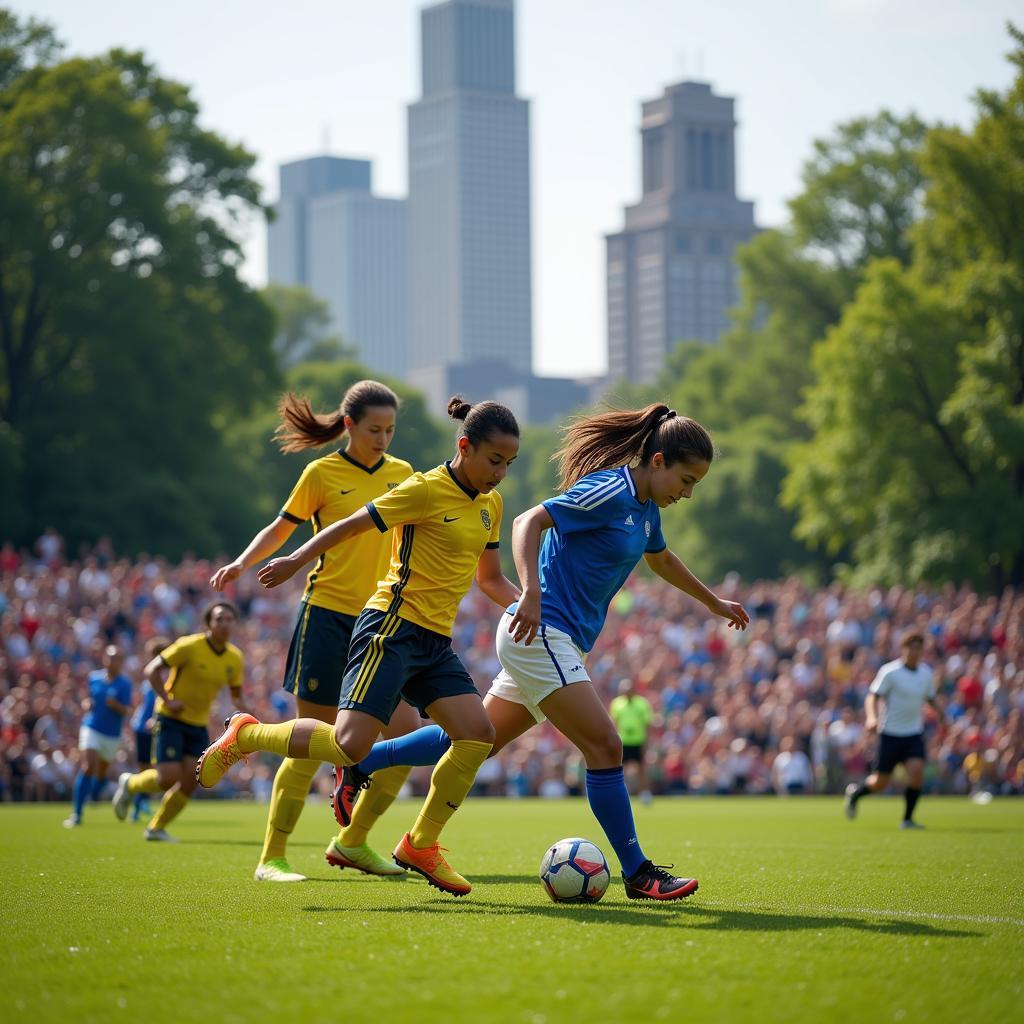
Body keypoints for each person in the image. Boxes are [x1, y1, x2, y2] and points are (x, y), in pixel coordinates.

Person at [341, 404, 750, 901]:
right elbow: (528, 521)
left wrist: (713, 601)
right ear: (658, 461)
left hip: (556, 640)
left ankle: (366, 764)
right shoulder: (610, 490)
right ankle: (639, 873)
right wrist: (530, 592)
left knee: (477, 742)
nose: (685, 493)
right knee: (605, 747)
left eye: (694, 486)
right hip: (541, 633)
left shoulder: (644, 509)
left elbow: (659, 557)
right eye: (685, 480)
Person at [197, 397, 521, 897]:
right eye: (494, 460)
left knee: (478, 735)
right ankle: (247, 737)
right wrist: (294, 560)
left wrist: (528, 608)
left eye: (509, 464)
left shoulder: (491, 505)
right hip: (390, 628)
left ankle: (420, 844)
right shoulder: (425, 488)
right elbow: (351, 524)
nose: (500, 473)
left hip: (434, 642)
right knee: (351, 744)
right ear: (465, 447)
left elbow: (492, 578)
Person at [210, 381, 418, 883]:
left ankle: (353, 842)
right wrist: (242, 563)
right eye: (374, 429)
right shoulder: (321, 473)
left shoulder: (404, 475)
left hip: (380, 623)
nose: (383, 438)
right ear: (349, 426)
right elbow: (282, 529)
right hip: (325, 617)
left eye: (390, 429)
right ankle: (271, 858)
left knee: (408, 740)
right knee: (311, 742)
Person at [112, 602, 246, 841]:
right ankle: (130, 784)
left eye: (229, 619)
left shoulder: (234, 658)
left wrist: (248, 717)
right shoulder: (189, 645)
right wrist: (166, 699)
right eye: (219, 619)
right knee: (167, 779)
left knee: (190, 782)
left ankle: (156, 828)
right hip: (171, 718)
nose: (225, 624)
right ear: (208, 624)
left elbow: (236, 696)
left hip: (198, 725)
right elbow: (152, 669)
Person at [844, 632, 943, 829]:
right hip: (890, 733)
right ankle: (856, 793)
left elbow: (930, 698)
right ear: (903, 649)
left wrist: (942, 715)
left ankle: (907, 819)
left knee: (916, 773)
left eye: (918, 647)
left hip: (913, 733)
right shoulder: (890, 672)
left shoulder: (925, 674)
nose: (914, 651)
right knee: (880, 782)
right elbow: (872, 696)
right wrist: (872, 718)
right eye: (911, 647)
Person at [64, 645, 132, 828]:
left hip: (111, 735)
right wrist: (86, 703)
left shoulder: (125, 684)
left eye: (118, 659)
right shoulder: (94, 678)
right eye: (111, 658)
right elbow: (87, 697)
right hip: (91, 727)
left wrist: (115, 705)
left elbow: (127, 710)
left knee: (101, 773)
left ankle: (94, 795)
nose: (114, 662)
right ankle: (77, 814)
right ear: (105, 659)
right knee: (87, 767)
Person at [128, 637, 168, 822]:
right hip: (146, 728)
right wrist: (153, 718)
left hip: (147, 727)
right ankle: (137, 804)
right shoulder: (156, 678)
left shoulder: (158, 676)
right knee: (148, 770)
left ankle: (139, 804)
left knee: (149, 770)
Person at [609, 678, 654, 804]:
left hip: (638, 741)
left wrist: (647, 743)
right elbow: (614, 723)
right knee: (619, 770)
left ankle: (645, 794)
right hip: (623, 742)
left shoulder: (642, 703)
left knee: (641, 769)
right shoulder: (616, 704)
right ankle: (621, 794)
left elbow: (647, 724)